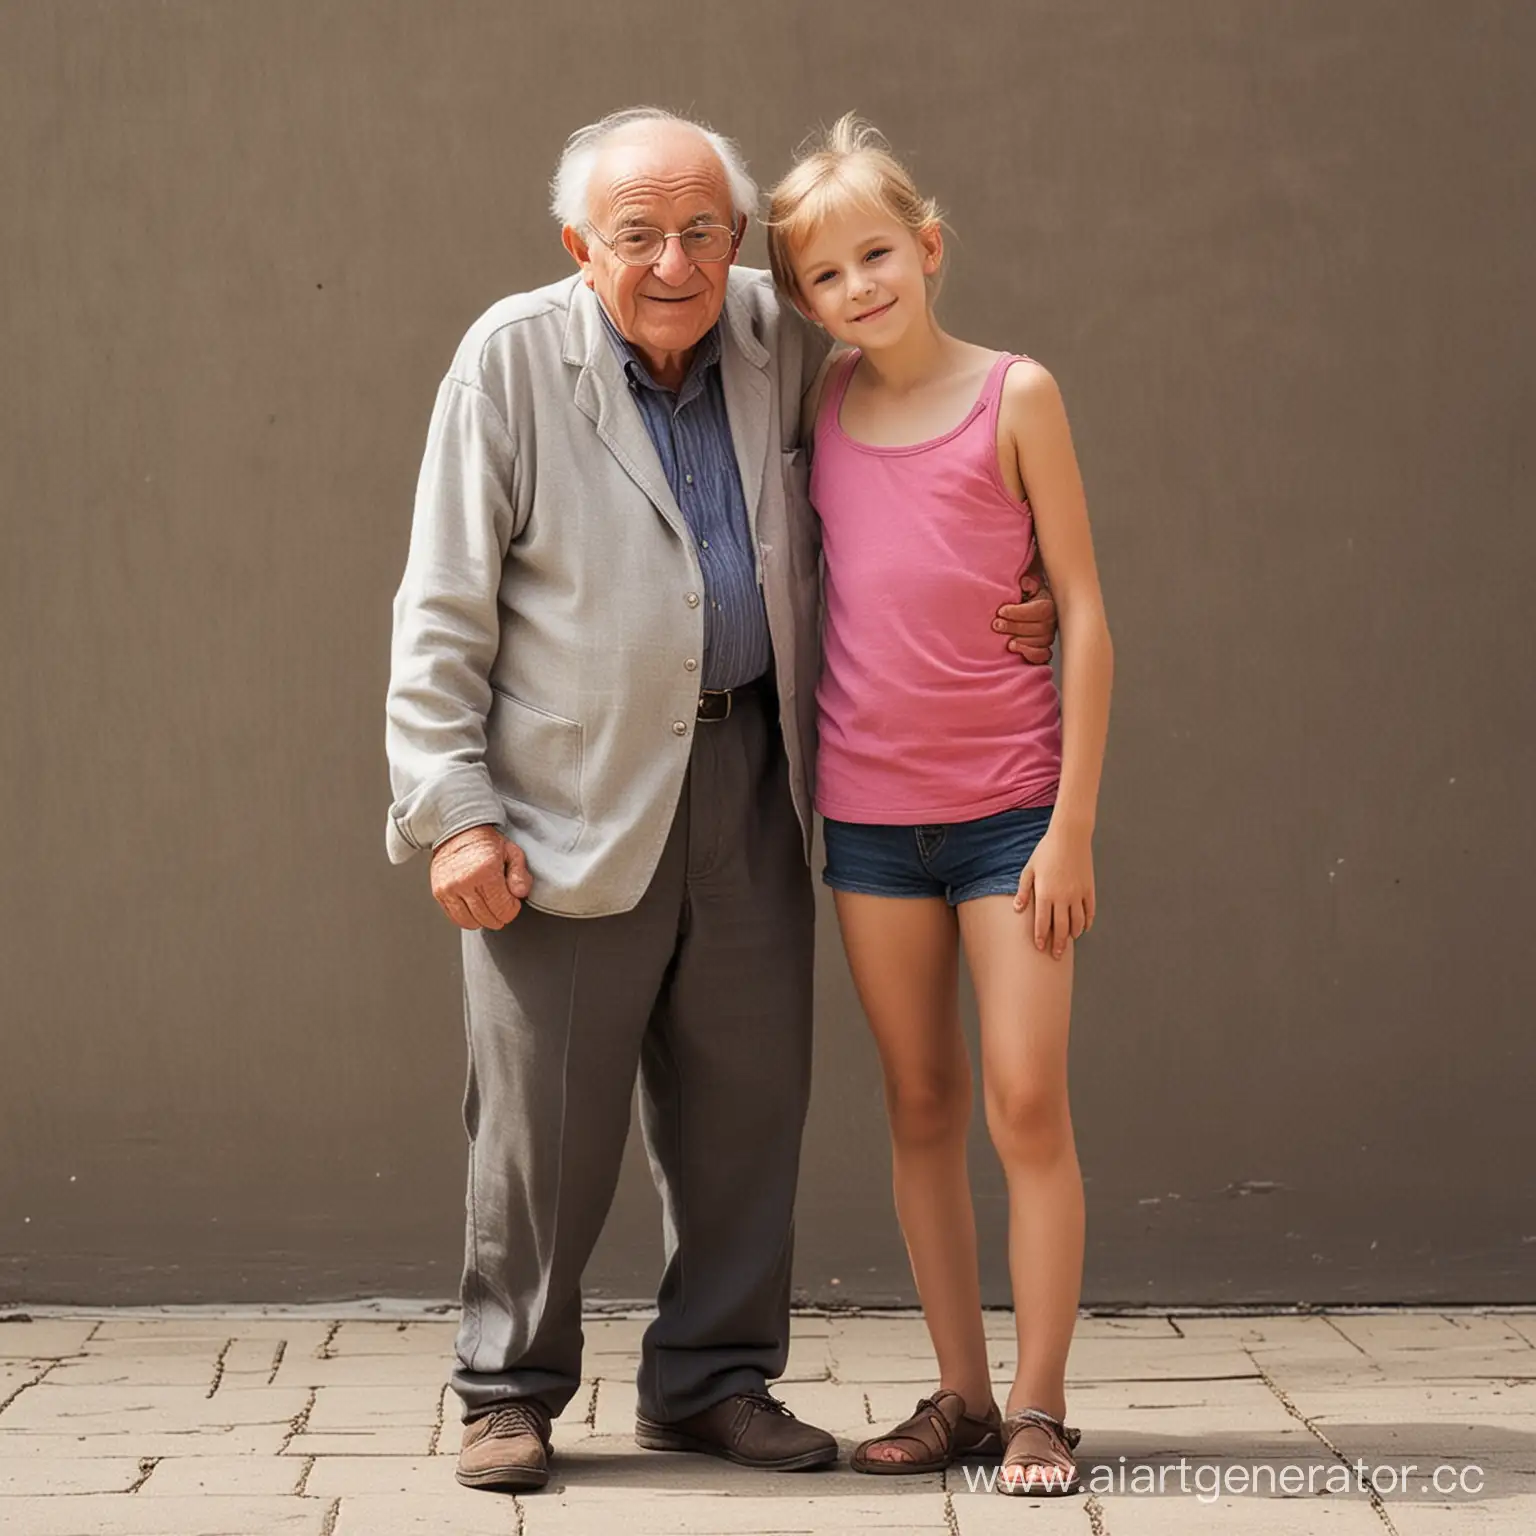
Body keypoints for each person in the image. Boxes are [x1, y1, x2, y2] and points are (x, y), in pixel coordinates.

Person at [385, 106, 1058, 1494]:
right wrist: (452, 808)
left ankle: (711, 1383)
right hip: (559, 794)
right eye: (638, 235)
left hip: (752, 767)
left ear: (740, 240)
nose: (675, 260)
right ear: (581, 245)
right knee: (540, 1123)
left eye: (703, 229)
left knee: (748, 1105)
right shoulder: (511, 360)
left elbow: (918, 422)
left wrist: (1017, 581)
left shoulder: (783, 326)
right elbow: (440, 606)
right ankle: (508, 1388)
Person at [764, 116, 1113, 1497]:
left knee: (1026, 1101)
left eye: (876, 254)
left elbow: (1079, 609)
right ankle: (960, 1394)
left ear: (928, 245)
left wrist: (1073, 822)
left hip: (1013, 816)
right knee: (921, 1098)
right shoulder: (824, 409)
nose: (859, 287)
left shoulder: (1016, 393)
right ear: (803, 303)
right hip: (868, 824)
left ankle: (1040, 1405)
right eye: (825, 276)